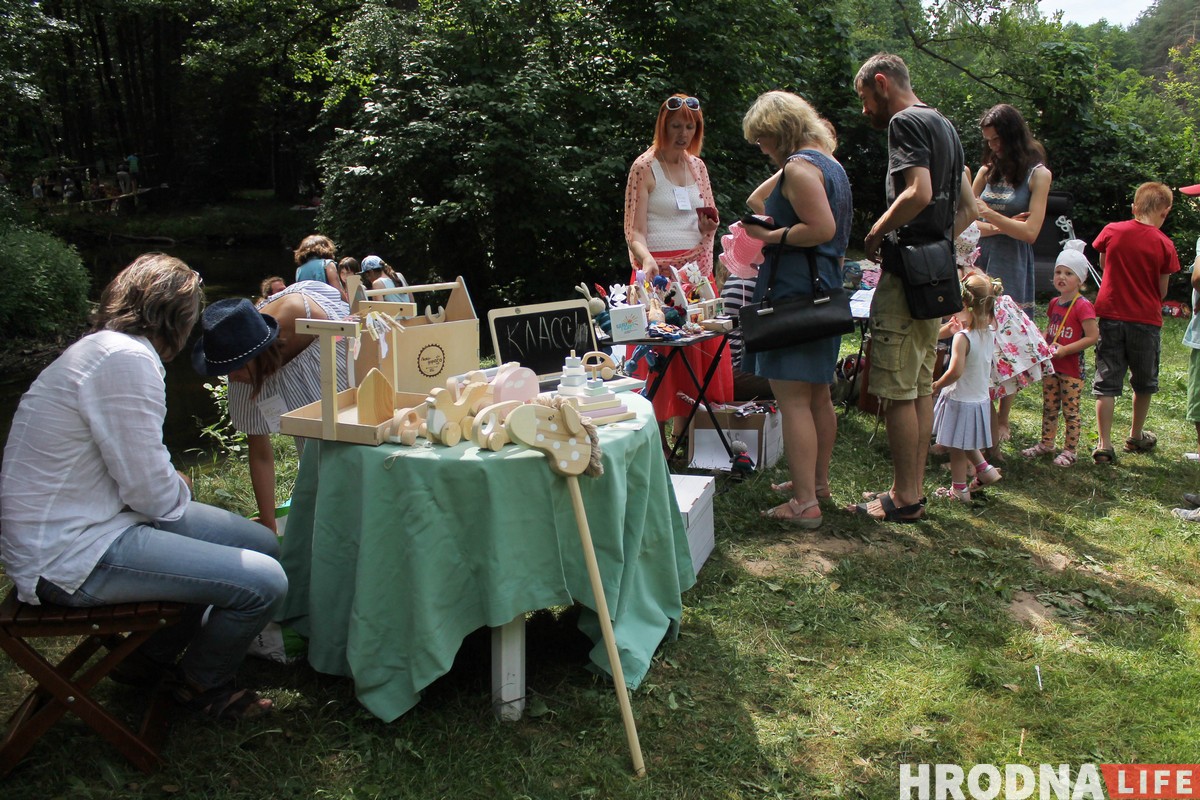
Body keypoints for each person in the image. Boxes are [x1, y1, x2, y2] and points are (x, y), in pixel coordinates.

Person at [0, 254, 286, 720]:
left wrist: (168, 485)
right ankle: (202, 685)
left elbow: (141, 477)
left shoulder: (108, 349)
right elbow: (152, 493)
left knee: (259, 542)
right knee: (264, 581)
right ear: (179, 315)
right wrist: (175, 485)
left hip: (95, 521)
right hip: (68, 553)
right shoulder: (125, 360)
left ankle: (145, 661)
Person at [853, 53, 976, 523]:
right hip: (937, 275)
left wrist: (876, 235)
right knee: (920, 382)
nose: (865, 110)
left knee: (900, 389)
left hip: (906, 276)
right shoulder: (943, 124)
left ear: (881, 84)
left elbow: (918, 192)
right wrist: (939, 244)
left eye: (864, 97)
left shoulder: (904, 122)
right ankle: (912, 490)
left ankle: (905, 497)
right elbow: (969, 207)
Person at [740, 91, 852, 528]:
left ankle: (805, 503)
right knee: (817, 393)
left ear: (781, 132)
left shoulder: (801, 168)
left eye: (764, 139)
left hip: (796, 288)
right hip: (822, 287)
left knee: (792, 399)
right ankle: (816, 484)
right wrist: (784, 168)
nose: (762, 148)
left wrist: (769, 237)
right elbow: (758, 200)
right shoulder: (826, 164)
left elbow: (820, 228)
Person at [194, 280, 351, 532]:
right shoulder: (240, 367)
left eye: (232, 370)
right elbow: (260, 453)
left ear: (259, 354)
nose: (230, 379)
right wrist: (268, 523)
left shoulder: (309, 317)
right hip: (316, 459)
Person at [623, 93, 733, 450]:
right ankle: (653, 436)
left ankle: (682, 434)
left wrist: (706, 227)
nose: (683, 133)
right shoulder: (644, 166)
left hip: (694, 271)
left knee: (693, 353)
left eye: (690, 126)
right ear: (663, 125)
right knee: (658, 355)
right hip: (657, 276)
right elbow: (634, 230)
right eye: (676, 125)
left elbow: (708, 220)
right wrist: (646, 259)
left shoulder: (697, 166)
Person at [972, 104, 1055, 450]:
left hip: (1013, 263)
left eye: (997, 140)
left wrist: (989, 216)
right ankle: (980, 409)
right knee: (977, 331)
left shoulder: (1038, 175)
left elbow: (1031, 232)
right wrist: (1002, 225)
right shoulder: (986, 170)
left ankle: (1002, 417)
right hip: (980, 261)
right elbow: (964, 221)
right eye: (988, 141)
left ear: (1012, 136)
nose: (992, 147)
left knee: (1008, 340)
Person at [1090, 181, 1181, 464]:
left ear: (1134, 207)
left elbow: (1104, 264)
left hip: (1111, 316)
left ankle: (1104, 443)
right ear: (1164, 212)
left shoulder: (1112, 231)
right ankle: (1135, 435)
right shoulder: (1165, 244)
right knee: (1143, 381)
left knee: (1107, 381)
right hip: (1145, 320)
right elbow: (1162, 291)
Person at [1020, 244, 1098, 467]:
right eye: (1058, 272)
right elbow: (1051, 328)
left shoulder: (1083, 306)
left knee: (1070, 410)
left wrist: (1065, 350)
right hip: (1052, 366)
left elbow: (1092, 337)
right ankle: (1047, 443)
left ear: (1080, 280)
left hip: (1072, 368)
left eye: (1068, 273)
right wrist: (1042, 340)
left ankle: (1070, 450)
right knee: (1050, 405)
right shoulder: (1055, 303)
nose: (1061, 277)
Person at [930, 273, 1002, 502]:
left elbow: (955, 371)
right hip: (978, 398)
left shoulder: (963, 337)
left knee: (958, 445)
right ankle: (974, 479)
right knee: (962, 443)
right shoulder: (989, 332)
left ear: (964, 304)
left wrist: (937, 385)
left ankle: (970, 481)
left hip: (960, 399)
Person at [292, 234, 345, 302]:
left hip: (309, 307)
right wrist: (350, 306)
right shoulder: (328, 264)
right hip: (327, 305)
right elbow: (337, 291)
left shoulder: (299, 270)